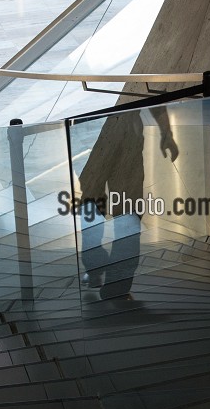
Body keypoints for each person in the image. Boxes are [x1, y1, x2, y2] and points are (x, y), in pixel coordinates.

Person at [75, 106, 177, 301]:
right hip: (101, 130)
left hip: (122, 131)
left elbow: (146, 95)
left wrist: (166, 131)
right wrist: (166, 132)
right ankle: (100, 270)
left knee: (124, 212)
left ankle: (114, 284)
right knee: (93, 202)